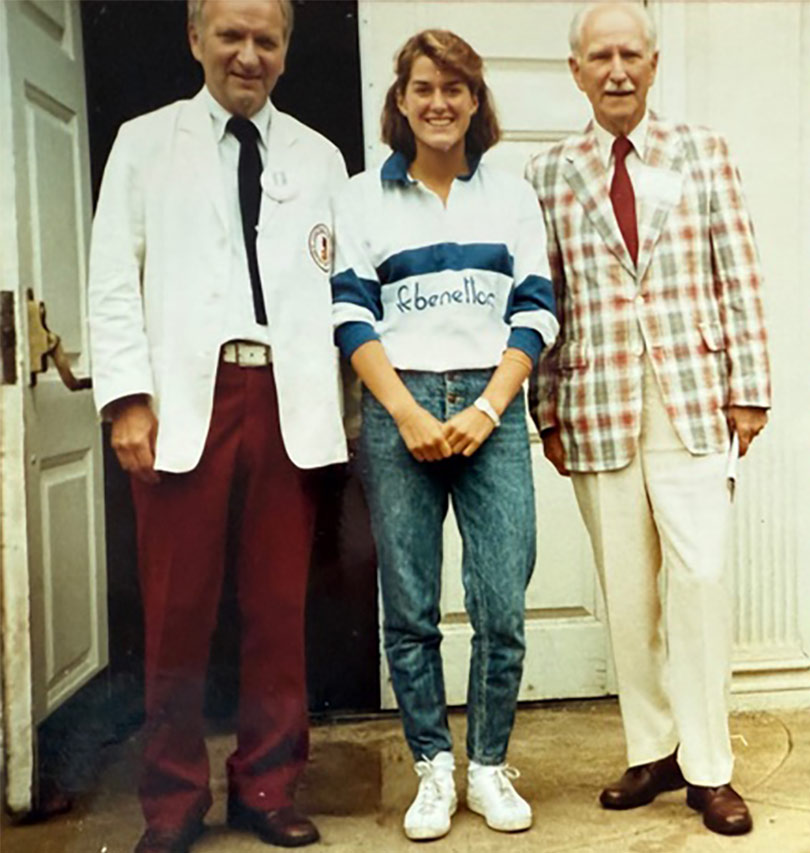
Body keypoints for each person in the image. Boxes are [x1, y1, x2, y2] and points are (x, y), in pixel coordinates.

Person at [87, 1, 348, 850]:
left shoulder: (319, 157)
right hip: (180, 404)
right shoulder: (144, 143)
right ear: (194, 37)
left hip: (285, 400)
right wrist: (127, 398)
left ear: (286, 51)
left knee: (277, 606)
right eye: (230, 36)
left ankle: (266, 786)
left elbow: (343, 284)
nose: (248, 55)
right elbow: (112, 277)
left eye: (266, 39)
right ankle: (172, 801)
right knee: (176, 613)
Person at [525, 1, 771, 837]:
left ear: (654, 65)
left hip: (692, 400)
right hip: (597, 404)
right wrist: (546, 409)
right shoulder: (549, 174)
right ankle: (654, 747)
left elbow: (739, 274)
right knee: (627, 595)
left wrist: (750, 388)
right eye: (601, 57)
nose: (618, 70)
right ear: (577, 71)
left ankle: (710, 767)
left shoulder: (703, 153)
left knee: (700, 582)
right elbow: (546, 298)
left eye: (632, 54)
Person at [330, 29, 558, 842]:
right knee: (411, 606)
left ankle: (489, 764)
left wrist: (488, 408)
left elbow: (535, 310)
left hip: (489, 409)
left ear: (474, 100)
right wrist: (407, 413)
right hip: (403, 407)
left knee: (502, 602)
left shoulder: (511, 196)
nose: (438, 102)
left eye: (454, 88)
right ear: (401, 99)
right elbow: (351, 314)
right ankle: (434, 764)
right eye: (423, 87)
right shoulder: (362, 197)